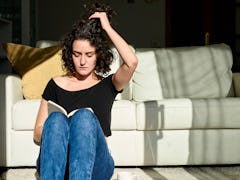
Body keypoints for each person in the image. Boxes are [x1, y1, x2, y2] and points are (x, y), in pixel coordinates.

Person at [33, 2, 138, 180]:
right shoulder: (55, 84)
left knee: (83, 117)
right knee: (57, 119)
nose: (82, 61)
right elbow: (37, 133)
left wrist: (107, 28)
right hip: (57, 162)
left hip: (96, 165)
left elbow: (131, 62)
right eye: (77, 54)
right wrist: (62, 128)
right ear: (69, 54)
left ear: (98, 55)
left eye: (89, 55)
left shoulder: (108, 84)